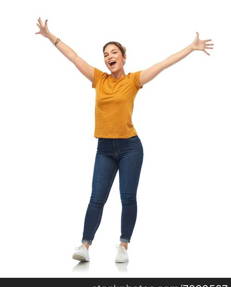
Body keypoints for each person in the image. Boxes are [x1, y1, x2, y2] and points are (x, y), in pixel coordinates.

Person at [35, 18, 214, 263]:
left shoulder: (134, 80)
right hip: (105, 148)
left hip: (130, 147)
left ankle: (123, 245)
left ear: (123, 57)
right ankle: (85, 245)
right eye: (106, 53)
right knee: (96, 198)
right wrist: (50, 36)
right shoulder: (99, 79)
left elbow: (163, 64)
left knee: (127, 197)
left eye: (114, 52)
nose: (109, 56)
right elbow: (74, 57)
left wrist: (190, 48)